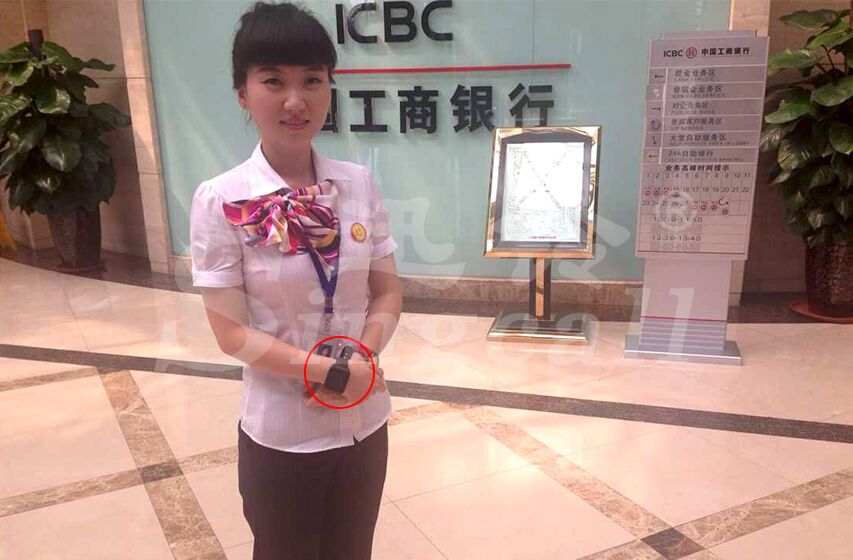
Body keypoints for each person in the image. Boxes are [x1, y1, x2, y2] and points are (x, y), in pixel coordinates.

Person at [189, 3, 402, 559]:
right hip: (282, 434)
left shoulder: (359, 185)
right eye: (273, 81)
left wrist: (361, 356)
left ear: (330, 87)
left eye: (312, 80)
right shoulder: (221, 199)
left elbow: (386, 291)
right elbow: (230, 334)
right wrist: (327, 371)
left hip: (364, 421)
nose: (295, 100)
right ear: (242, 92)